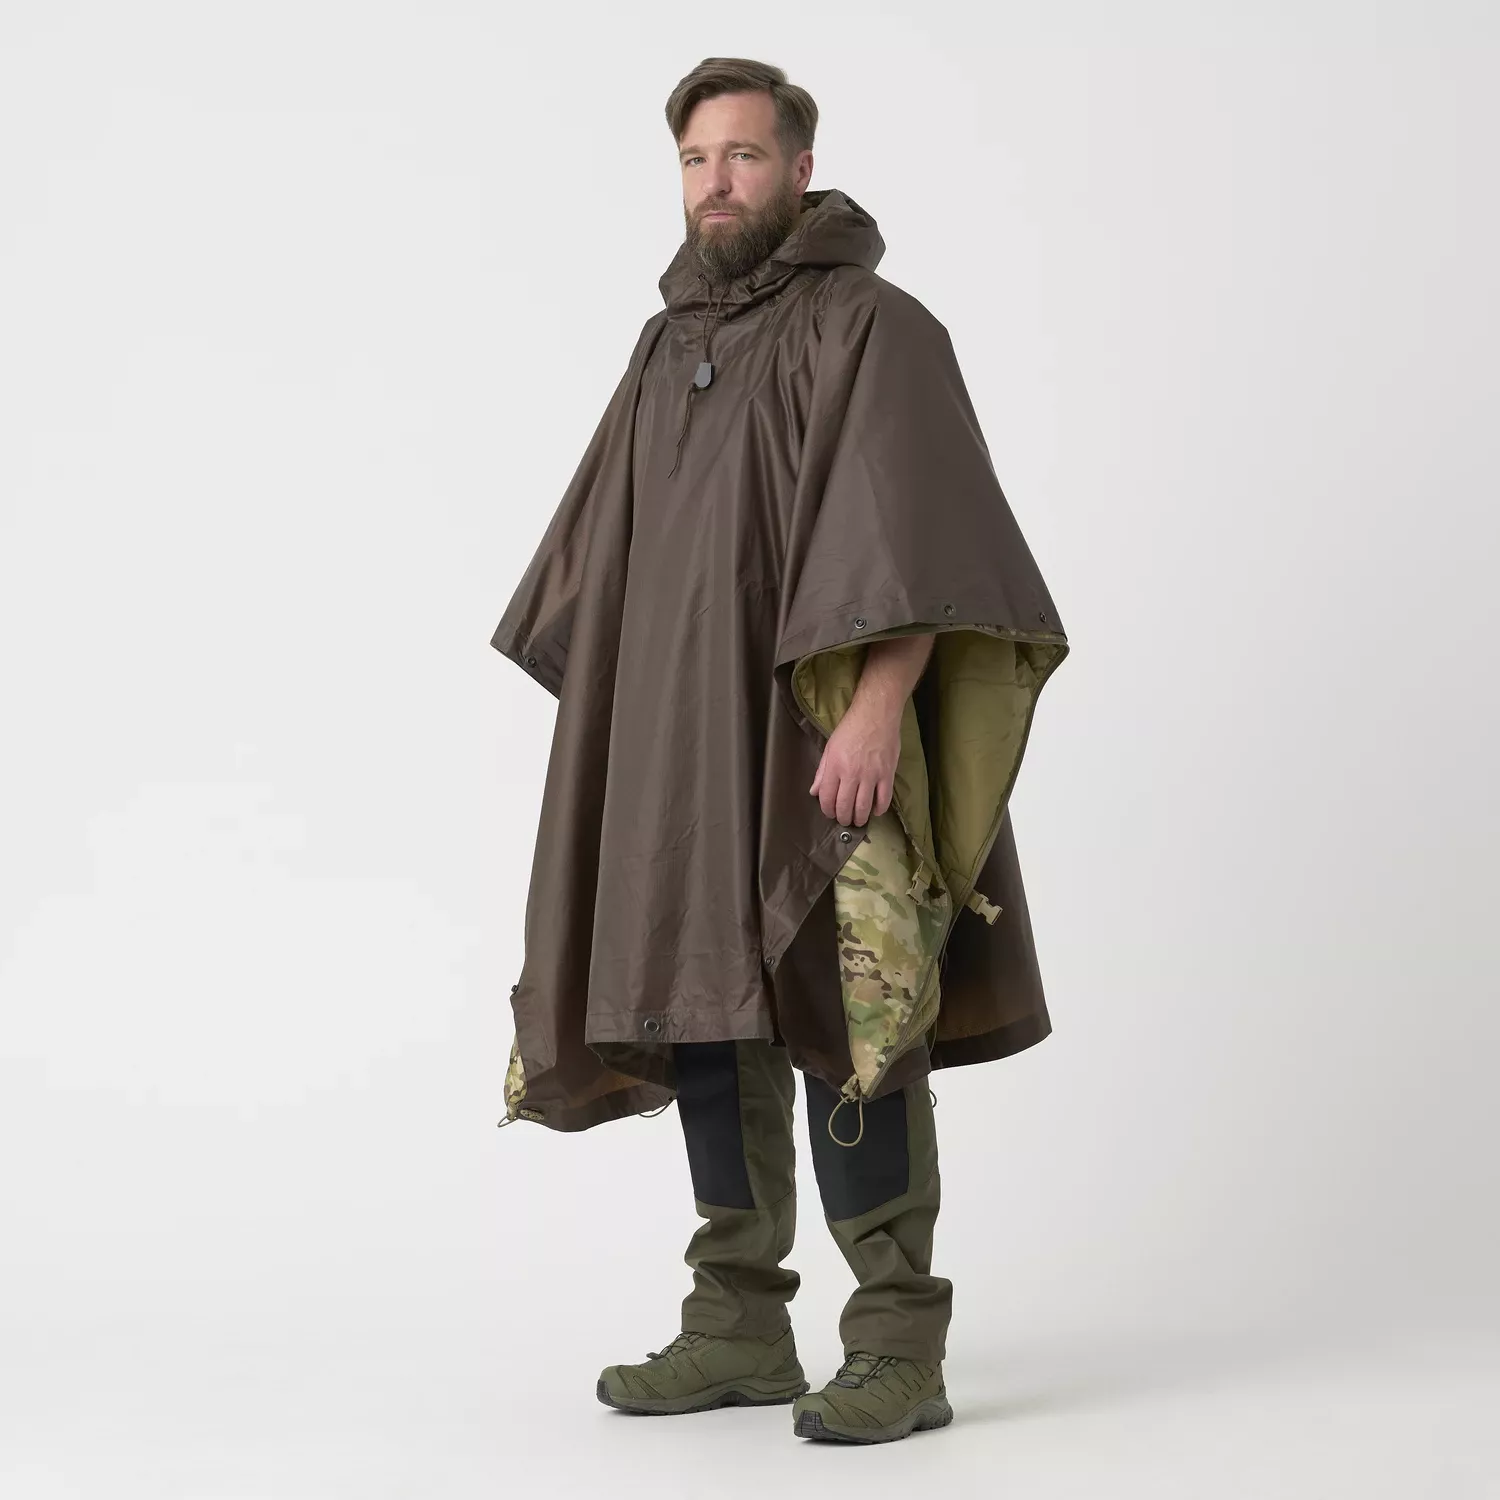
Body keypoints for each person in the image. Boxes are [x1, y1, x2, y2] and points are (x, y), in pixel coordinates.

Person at [490, 57, 1070, 1444]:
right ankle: (738, 1324)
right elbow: (613, 561)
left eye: (743, 156)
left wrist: (877, 710)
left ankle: (898, 1344)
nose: (717, 184)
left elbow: (919, 535)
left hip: (820, 740)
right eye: (696, 160)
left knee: (850, 1013)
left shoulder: (875, 326)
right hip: (681, 750)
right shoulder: (664, 349)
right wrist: (623, 746)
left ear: (799, 169)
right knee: (699, 1004)